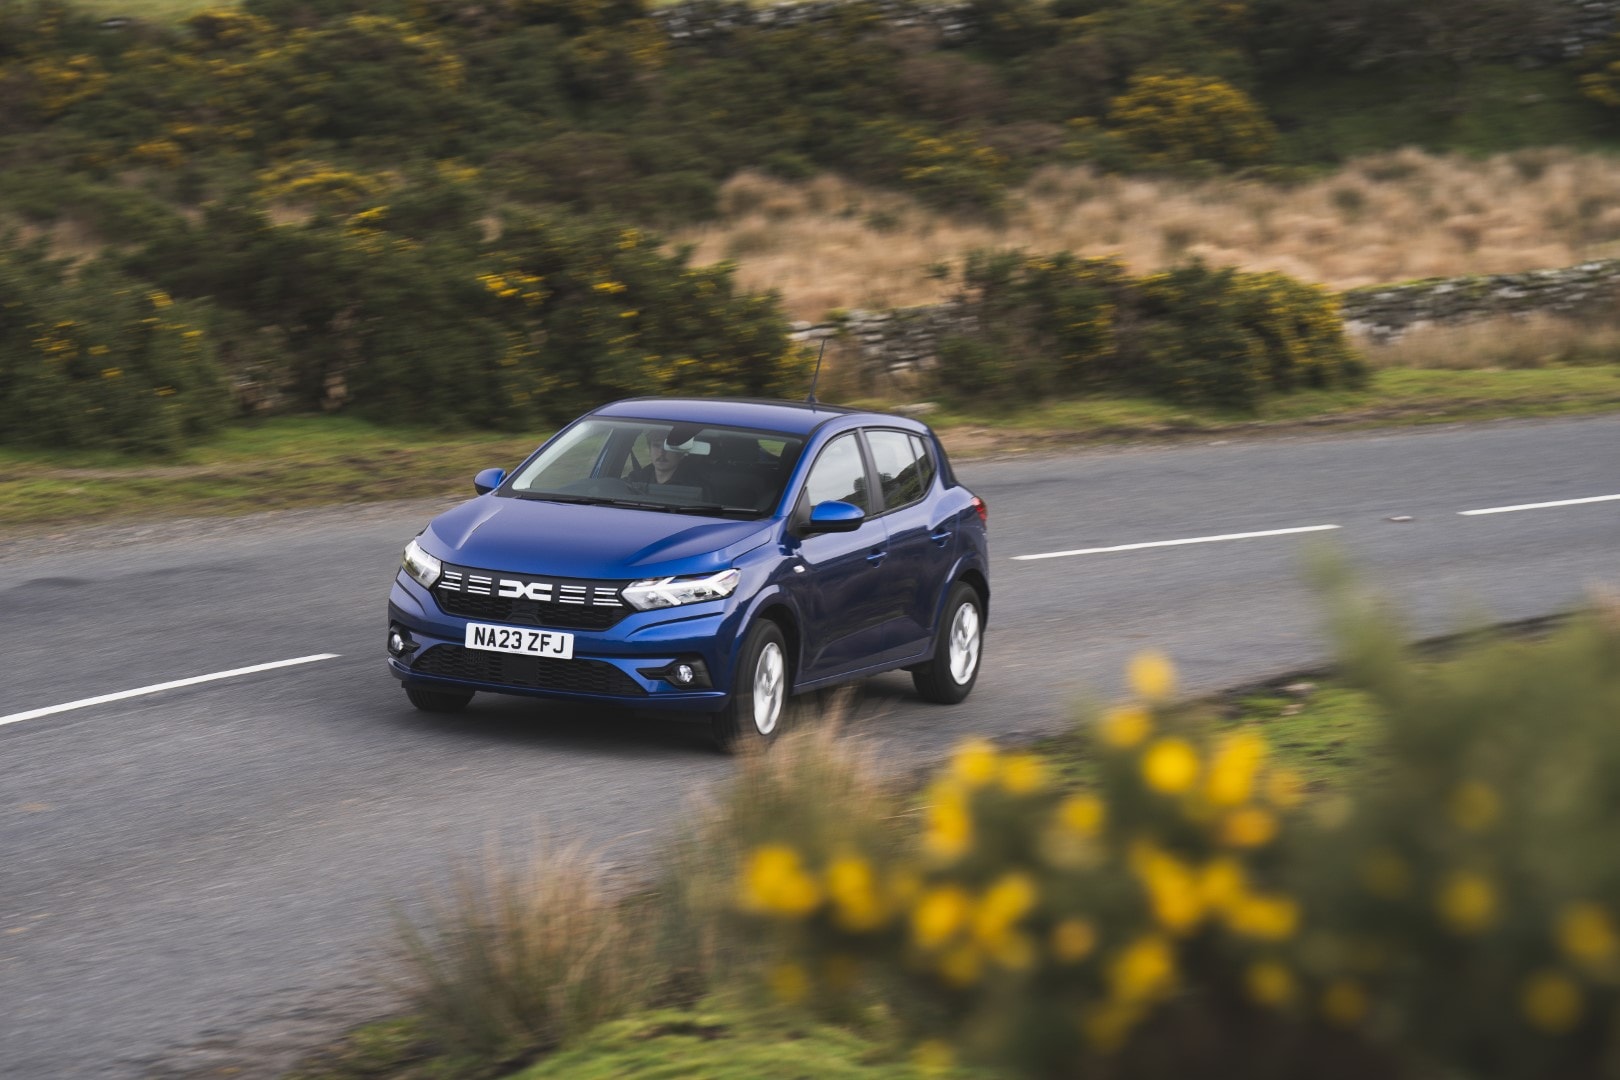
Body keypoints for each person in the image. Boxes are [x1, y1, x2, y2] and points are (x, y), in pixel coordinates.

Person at [629, 427, 708, 493]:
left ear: (681, 453)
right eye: (656, 446)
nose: (661, 452)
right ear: (650, 450)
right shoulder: (635, 479)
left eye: (669, 447)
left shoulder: (696, 487)